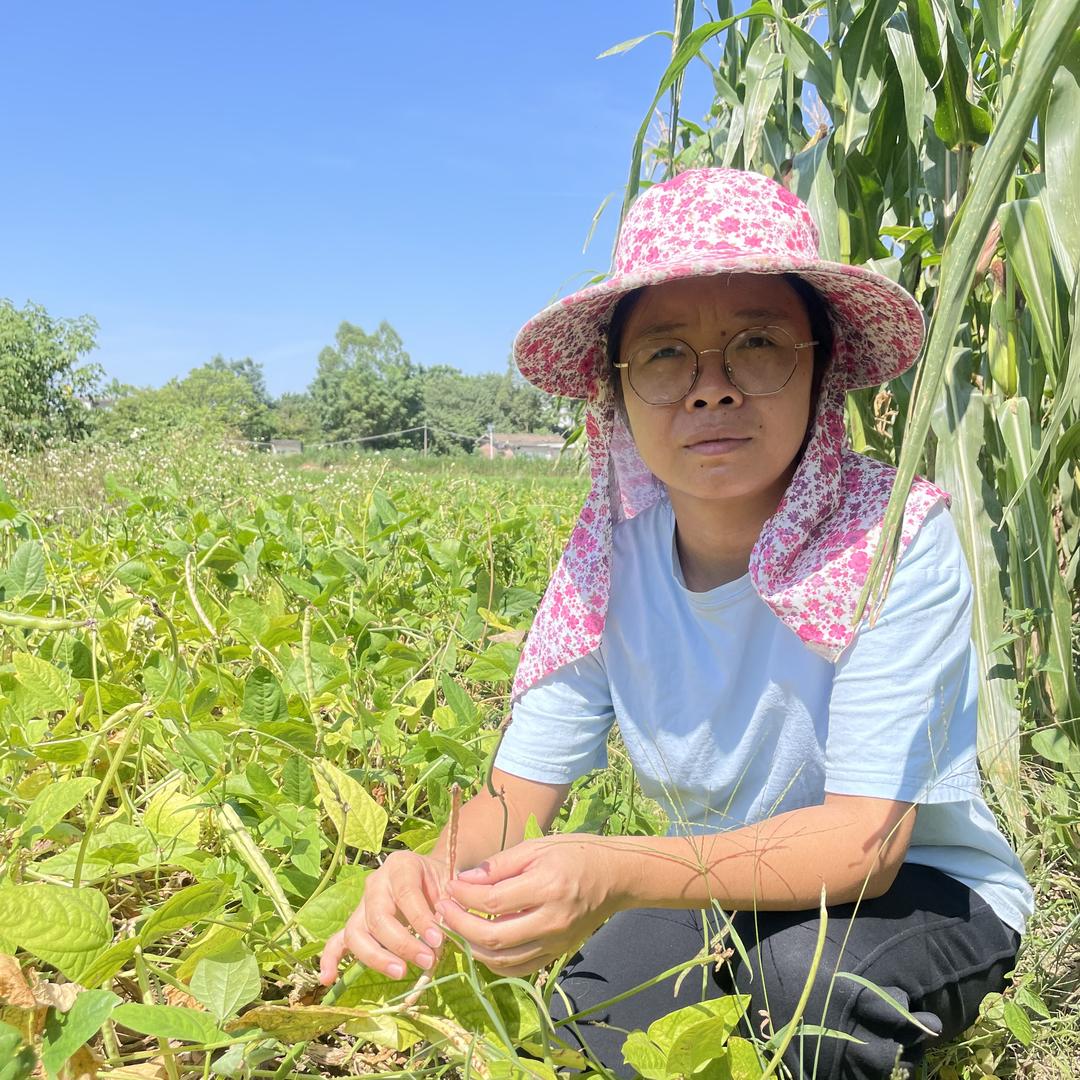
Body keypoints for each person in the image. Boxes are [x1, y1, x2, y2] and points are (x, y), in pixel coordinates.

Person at [320, 169, 1032, 1079]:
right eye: (665, 356)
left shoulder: (894, 538)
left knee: (806, 992)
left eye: (758, 344)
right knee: (600, 1008)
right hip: (719, 877)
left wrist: (612, 870)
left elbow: (865, 849)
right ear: (616, 392)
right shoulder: (607, 561)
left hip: (924, 887)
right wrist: (425, 876)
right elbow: (513, 800)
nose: (711, 389)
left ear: (819, 367)